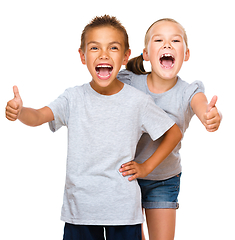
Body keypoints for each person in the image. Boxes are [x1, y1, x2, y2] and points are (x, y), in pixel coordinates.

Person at [5, 15, 182, 240]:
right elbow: (39, 115)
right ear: (82, 56)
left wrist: (146, 168)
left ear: (126, 56)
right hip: (80, 211)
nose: (104, 54)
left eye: (113, 47)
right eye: (95, 47)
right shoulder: (73, 98)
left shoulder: (137, 101)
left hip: (124, 212)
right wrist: (20, 112)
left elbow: (173, 133)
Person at [118, 18, 222, 240]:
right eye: (159, 40)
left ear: (186, 54)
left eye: (175, 40)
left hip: (164, 179)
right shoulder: (130, 82)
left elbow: (203, 106)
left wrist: (211, 116)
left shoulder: (188, 91)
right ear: (146, 54)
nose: (167, 45)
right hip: (127, 176)